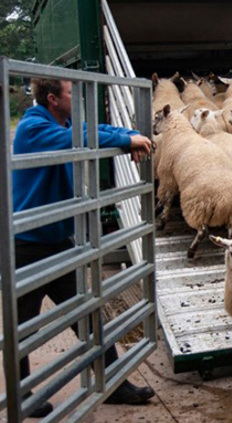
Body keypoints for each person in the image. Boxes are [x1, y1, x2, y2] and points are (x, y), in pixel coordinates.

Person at [12, 78, 155, 417]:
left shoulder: (65, 123)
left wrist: (129, 138)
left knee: (88, 315)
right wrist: (126, 141)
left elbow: (97, 129)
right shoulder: (33, 129)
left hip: (58, 243)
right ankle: (23, 395)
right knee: (22, 327)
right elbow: (81, 138)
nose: (76, 98)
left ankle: (115, 384)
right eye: (70, 93)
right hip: (27, 245)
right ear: (52, 98)